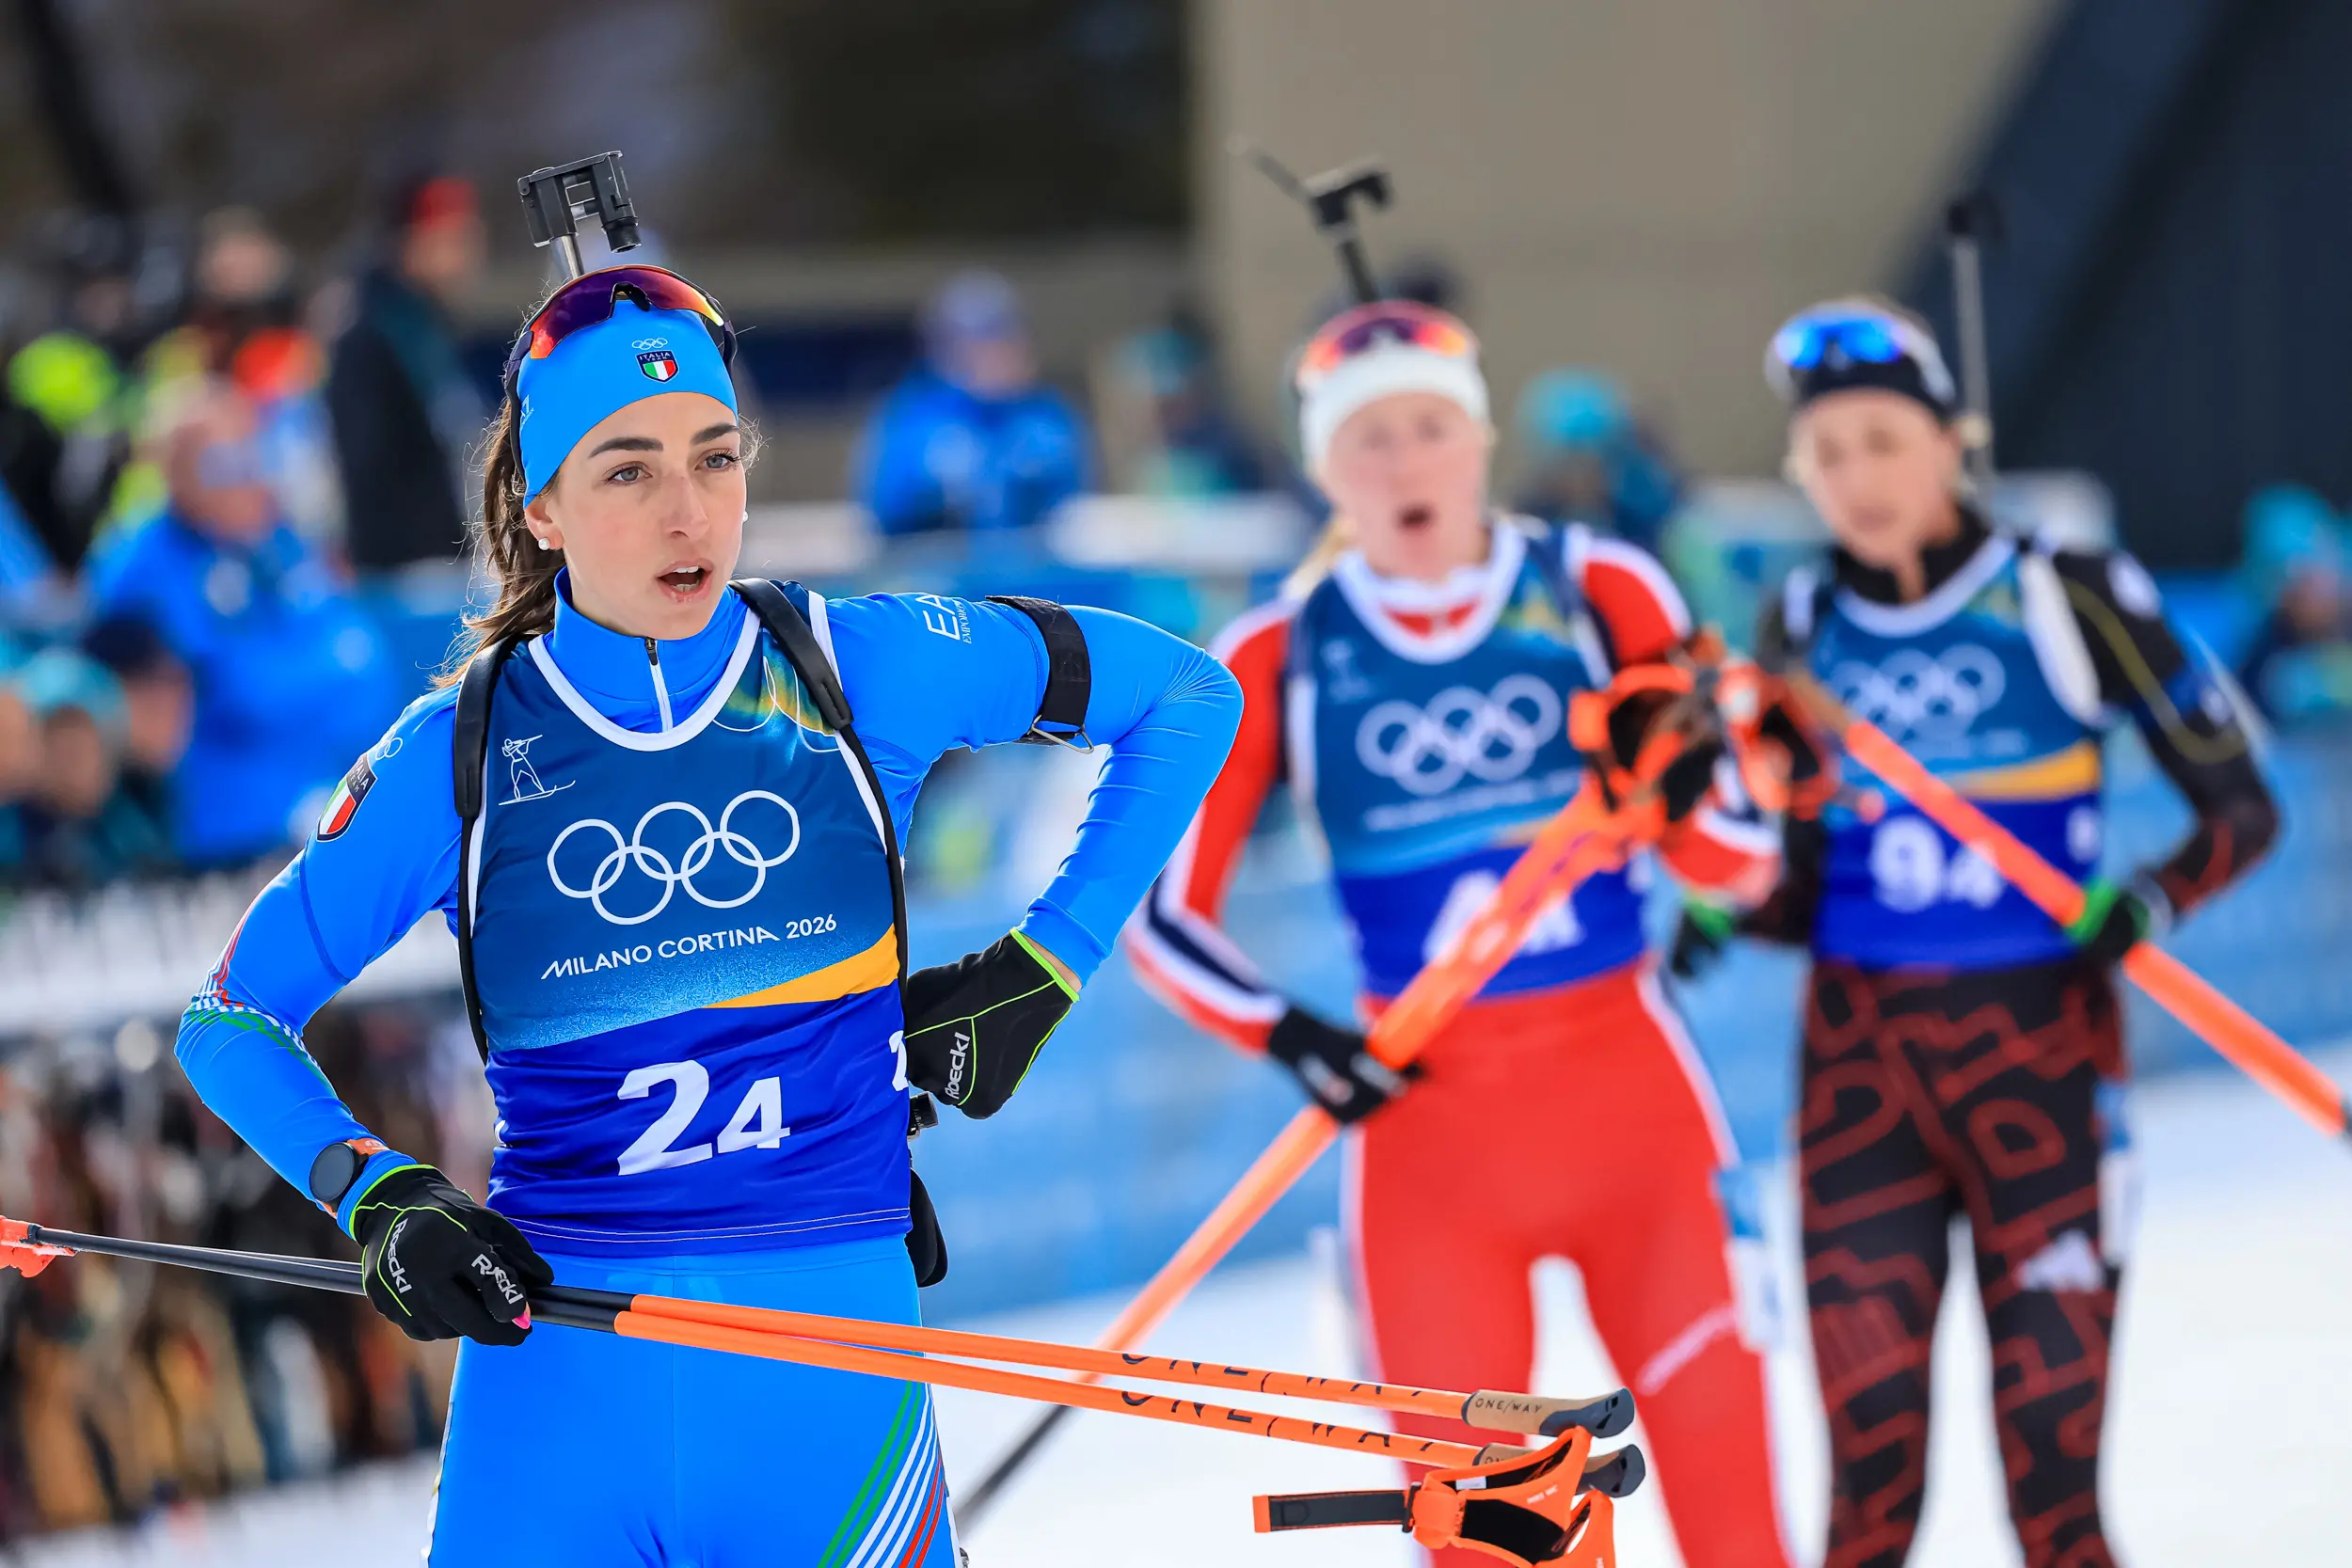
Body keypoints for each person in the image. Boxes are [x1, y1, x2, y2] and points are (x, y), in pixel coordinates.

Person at [172, 262, 1241, 1565]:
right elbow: (229, 1018)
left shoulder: (855, 665)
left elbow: (1187, 695)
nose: (688, 512)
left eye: (715, 457)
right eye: (627, 470)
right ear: (542, 507)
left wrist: (1043, 967)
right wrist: (381, 1192)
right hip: (561, 1384)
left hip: (829, 1368)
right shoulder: (459, 751)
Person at [1125, 298, 1793, 1568]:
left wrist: (1677, 787)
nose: (1404, 464)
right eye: (1367, 439)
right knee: (1487, 1549)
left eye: (1431, 428)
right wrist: (1294, 1034)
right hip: (1426, 1143)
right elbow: (1161, 918)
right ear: (1325, 470)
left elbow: (1745, 864)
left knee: (1739, 1526)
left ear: (1479, 441)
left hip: (1637, 1118)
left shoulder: (1598, 590)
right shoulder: (1279, 652)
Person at [1712, 298, 2279, 1568]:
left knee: (2055, 1493)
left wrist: (2147, 900)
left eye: (1883, 440)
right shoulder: (1796, 628)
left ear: (1949, 440)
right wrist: (1722, 899)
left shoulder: (2066, 591)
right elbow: (1797, 883)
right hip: (1861, 1082)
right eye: (1826, 453)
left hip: (2046, 1071)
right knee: (1868, 1495)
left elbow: (2243, 808)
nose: (1857, 477)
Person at [86, 380, 397, 867]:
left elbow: (365, 667)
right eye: (224, 465)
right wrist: (296, 680)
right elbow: (241, 692)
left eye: (252, 458)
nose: (248, 481)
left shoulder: (281, 544)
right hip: (222, 834)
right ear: (174, 472)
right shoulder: (139, 565)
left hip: (333, 800)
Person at [326, 175, 491, 571]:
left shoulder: (434, 325)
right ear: (411, 243)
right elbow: (367, 466)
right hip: (408, 566)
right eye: (450, 240)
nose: (466, 254)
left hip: (450, 552)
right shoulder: (371, 335)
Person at [855, 269, 1091, 535]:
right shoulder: (911, 417)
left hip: (1029, 560)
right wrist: (939, 493)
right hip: (938, 559)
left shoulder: (1046, 416)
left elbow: (1071, 502)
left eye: (1007, 337)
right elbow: (884, 512)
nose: (998, 355)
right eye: (982, 341)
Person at [1510, 368, 1684, 553]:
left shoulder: (1651, 517)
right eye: (1567, 463)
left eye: (1587, 459)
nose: (1578, 477)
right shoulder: (1529, 526)